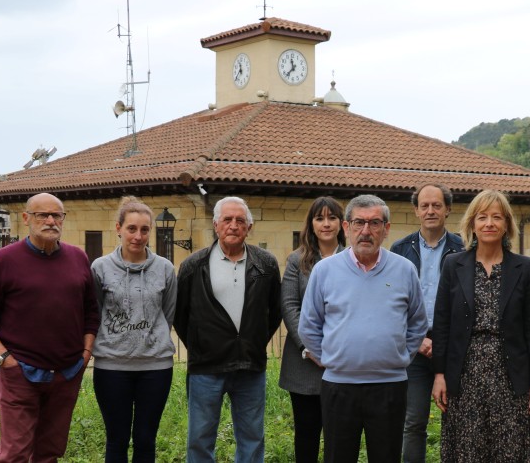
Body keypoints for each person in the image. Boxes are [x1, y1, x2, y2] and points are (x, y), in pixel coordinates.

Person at [0, 192, 100, 462]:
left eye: (57, 215)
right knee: (15, 453)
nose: (51, 221)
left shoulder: (78, 258)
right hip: (20, 374)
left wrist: (86, 353)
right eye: (43, 214)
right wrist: (5, 359)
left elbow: (91, 311)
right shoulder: (3, 261)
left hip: (66, 373)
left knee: (50, 452)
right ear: (27, 218)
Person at [298, 194, 427, 463]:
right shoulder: (325, 270)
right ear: (346, 228)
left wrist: (399, 357)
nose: (365, 231)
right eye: (358, 223)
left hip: (390, 386)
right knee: (338, 457)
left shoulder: (405, 270)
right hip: (339, 387)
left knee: (387, 457)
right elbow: (309, 325)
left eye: (374, 223)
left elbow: (417, 323)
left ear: (386, 229)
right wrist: (333, 360)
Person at [432, 189, 530, 462]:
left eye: (497, 217)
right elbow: (442, 322)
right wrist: (438, 374)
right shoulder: (453, 265)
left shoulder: (524, 267)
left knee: (510, 448)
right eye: (482, 217)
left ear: (507, 224)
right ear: (472, 223)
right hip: (464, 372)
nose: (489, 223)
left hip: (510, 374)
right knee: (467, 448)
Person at [175, 196, 281, 463]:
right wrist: (203, 344)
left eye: (240, 220)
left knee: (252, 438)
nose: (233, 225)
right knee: (200, 439)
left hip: (250, 368)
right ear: (216, 225)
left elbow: (275, 312)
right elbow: (180, 315)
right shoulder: (193, 266)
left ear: (249, 227)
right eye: (227, 220)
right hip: (206, 369)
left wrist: (250, 341)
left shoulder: (266, 264)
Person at [91, 196, 177, 463]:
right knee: (116, 441)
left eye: (144, 229)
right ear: (118, 228)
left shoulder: (165, 268)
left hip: (155, 367)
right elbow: (94, 312)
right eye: (131, 228)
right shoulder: (100, 268)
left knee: (145, 440)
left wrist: (152, 339)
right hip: (111, 367)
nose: (138, 236)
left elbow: (168, 313)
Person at [390, 183, 465, 463]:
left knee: (458, 420)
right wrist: (417, 338)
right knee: (414, 422)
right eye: (425, 206)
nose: (430, 210)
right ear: (416, 211)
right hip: (414, 346)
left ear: (448, 209)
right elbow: (391, 302)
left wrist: (445, 341)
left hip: (456, 347)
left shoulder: (464, 248)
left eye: (436, 205)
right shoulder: (399, 249)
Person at [278, 196, 346, 463]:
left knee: (338, 435)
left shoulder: (354, 259)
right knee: (306, 434)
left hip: (343, 362)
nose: (326, 224)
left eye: (332, 218)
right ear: (311, 224)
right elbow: (290, 305)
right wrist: (310, 348)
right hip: (304, 362)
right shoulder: (297, 260)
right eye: (320, 218)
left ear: (342, 223)